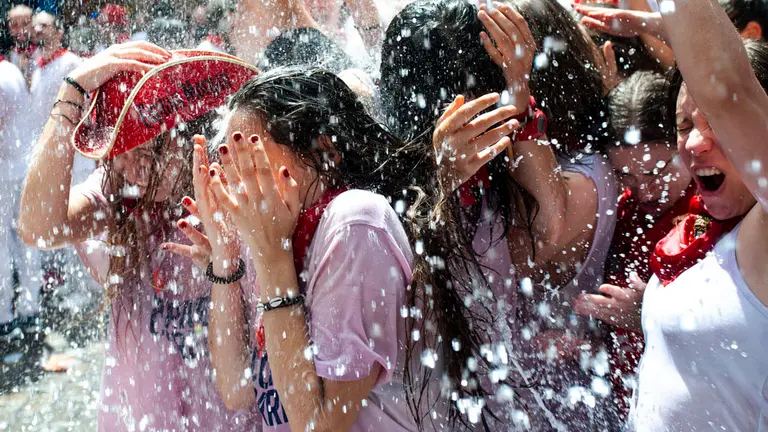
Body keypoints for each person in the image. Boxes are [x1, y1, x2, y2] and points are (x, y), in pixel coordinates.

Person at [169, 66, 500, 431]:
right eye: (230, 163)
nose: (237, 180)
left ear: (325, 152)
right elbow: (237, 389)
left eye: (252, 160)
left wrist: (273, 260)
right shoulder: (274, 233)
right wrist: (225, 259)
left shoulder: (354, 223)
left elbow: (319, 426)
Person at [380, 0, 618, 429]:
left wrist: (518, 102)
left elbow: (548, 229)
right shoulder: (379, 195)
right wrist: (441, 181)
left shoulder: (525, 181)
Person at [18, 42, 262, 431]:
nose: (132, 170)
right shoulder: (118, 196)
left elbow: (249, 378)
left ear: (193, 138)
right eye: (121, 152)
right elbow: (39, 228)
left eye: (148, 152)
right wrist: (70, 96)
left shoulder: (236, 204)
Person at [576, 2, 768, 430]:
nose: (695, 144)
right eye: (683, 126)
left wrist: (666, 23)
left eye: (717, 122)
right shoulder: (704, 224)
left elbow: (727, 83)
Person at [572, 70, 694, 418]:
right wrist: (588, 344)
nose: (644, 190)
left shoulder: (719, 212)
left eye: (657, 171)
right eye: (625, 175)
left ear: (687, 140)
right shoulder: (622, 211)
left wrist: (649, 315)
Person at [0, 29, 40, 382]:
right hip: (20, 168)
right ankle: (30, 309)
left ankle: (5, 318)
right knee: (24, 240)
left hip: (5, 172)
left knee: (3, 244)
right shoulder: (12, 71)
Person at [6, 4, 34, 85]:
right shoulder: (7, 56)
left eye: (25, 24)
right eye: (15, 25)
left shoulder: (44, 54)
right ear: (9, 28)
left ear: (33, 25)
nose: (21, 30)